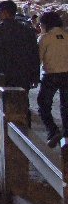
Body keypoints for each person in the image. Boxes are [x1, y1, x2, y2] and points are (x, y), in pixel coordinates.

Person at [0, 0, 40, 126]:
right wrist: (35, 75)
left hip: (3, 75)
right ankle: (25, 132)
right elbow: (34, 55)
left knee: (5, 105)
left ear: (5, 13)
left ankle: (8, 135)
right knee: (23, 104)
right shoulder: (26, 31)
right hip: (23, 74)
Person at [37, 11, 68, 148]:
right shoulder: (67, 36)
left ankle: (52, 130)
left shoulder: (45, 38)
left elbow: (38, 58)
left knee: (43, 104)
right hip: (67, 74)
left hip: (51, 75)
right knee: (65, 106)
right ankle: (66, 135)